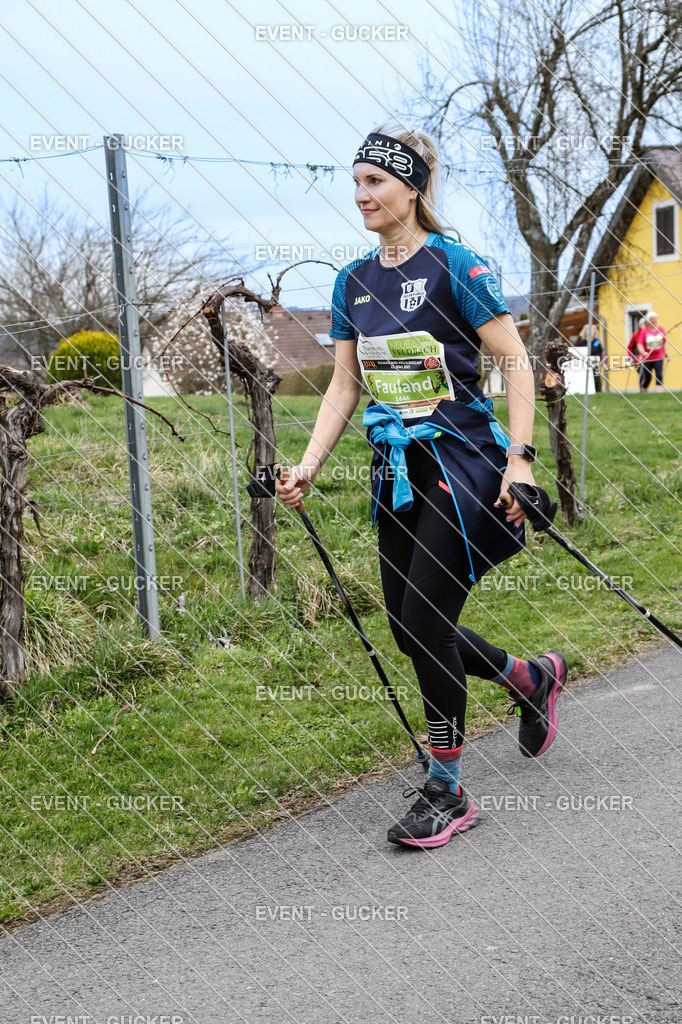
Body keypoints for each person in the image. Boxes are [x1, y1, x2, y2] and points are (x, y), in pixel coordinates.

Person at [275, 122, 567, 849]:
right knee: (409, 628)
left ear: (412, 187)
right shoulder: (353, 283)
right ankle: (528, 678)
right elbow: (345, 386)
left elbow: (518, 363)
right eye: (356, 183)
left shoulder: (456, 268)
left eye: (374, 181)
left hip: (463, 464)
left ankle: (447, 787)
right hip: (396, 472)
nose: (361, 195)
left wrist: (521, 461)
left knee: (426, 619)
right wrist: (308, 463)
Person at [636, 312, 669, 392]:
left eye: (655, 319)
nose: (653, 321)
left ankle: (659, 393)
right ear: (648, 320)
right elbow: (639, 343)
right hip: (648, 358)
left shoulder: (661, 329)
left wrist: (667, 355)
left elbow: (664, 343)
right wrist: (643, 352)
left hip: (659, 357)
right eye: (651, 319)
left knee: (659, 375)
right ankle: (644, 391)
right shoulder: (644, 331)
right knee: (647, 377)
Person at [576, 322, 604, 392]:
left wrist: (603, 362)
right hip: (585, 363)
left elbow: (600, 353)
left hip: (595, 362)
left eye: (592, 331)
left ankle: (597, 391)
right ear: (585, 332)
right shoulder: (582, 343)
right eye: (588, 331)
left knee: (596, 378)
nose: (590, 333)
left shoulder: (597, 342)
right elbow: (578, 353)